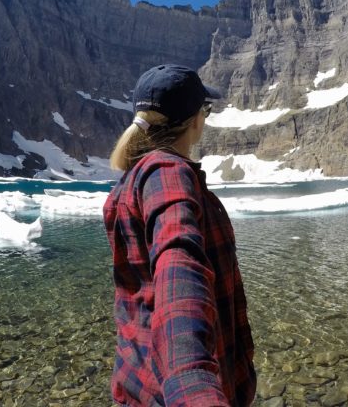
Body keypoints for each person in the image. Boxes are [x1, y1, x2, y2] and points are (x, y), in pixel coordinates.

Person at [103, 64, 256, 406]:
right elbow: (178, 263)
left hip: (141, 384)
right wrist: (192, 382)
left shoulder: (132, 179)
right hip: (173, 394)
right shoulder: (167, 173)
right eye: (206, 109)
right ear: (197, 120)